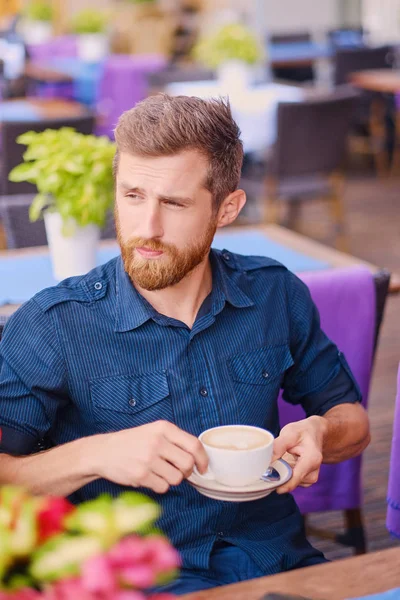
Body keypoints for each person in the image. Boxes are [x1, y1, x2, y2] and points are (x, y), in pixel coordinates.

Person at [0, 94, 370, 595]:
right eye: (132, 196)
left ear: (227, 208)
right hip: (135, 581)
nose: (146, 229)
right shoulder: (53, 324)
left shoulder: (275, 293)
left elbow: (354, 421)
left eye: (174, 203)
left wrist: (321, 431)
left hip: (280, 564)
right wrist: (96, 455)